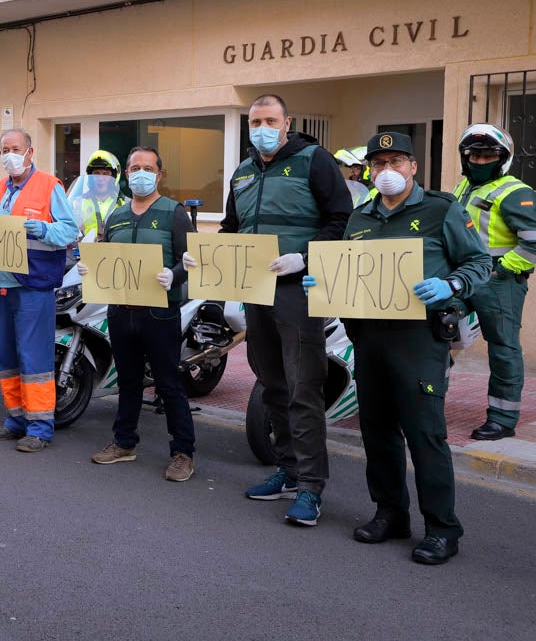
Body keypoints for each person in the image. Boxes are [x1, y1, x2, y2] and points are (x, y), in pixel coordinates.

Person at [304, 132, 491, 564]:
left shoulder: (441, 209)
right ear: (369, 170)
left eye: (396, 161)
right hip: (368, 338)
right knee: (378, 430)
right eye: (378, 163)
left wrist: (451, 284)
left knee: (424, 433)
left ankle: (443, 528)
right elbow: (347, 268)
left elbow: (480, 263)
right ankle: (390, 512)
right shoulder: (360, 216)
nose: (386, 170)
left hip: (419, 339)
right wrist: (324, 282)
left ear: (413, 167)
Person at [187, 94, 351, 525]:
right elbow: (232, 229)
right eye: (255, 120)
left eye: (270, 120)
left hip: (297, 289)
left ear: (287, 122)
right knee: (272, 383)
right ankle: (289, 470)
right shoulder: (242, 171)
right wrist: (205, 256)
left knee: (303, 388)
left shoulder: (314, 160)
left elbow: (341, 220)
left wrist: (306, 257)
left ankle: (312, 488)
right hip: (254, 288)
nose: (261, 127)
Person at [81, 147, 196, 481]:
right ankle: (124, 442)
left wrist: (175, 275)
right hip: (120, 311)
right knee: (127, 380)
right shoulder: (116, 216)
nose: (140, 173)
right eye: (134, 168)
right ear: (126, 174)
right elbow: (104, 256)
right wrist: (91, 269)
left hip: (159, 312)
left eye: (148, 168)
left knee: (168, 382)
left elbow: (190, 259)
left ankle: (183, 452)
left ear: (159, 175)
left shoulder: (174, 213)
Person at [0, 129, 80, 452]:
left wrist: (42, 228)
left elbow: (69, 231)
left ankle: (39, 426)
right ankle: (15, 420)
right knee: (6, 355)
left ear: (30, 152)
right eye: (4, 149)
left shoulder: (49, 186)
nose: (9, 155)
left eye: (15, 148)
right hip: (0, 285)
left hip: (33, 285)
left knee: (34, 357)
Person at [453, 124, 536, 441]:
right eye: (473, 154)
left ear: (503, 159)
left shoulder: (516, 192)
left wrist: (499, 270)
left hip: (498, 282)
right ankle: (427, 405)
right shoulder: (463, 188)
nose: (479, 160)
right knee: (438, 331)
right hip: (462, 276)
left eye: (488, 154)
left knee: (503, 348)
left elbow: (533, 242)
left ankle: (502, 418)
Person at [68, 149, 124, 240]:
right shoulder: (77, 203)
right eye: (96, 173)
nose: (100, 178)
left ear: (113, 177)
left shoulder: (124, 203)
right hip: (85, 251)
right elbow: (69, 230)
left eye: (105, 174)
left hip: (116, 252)